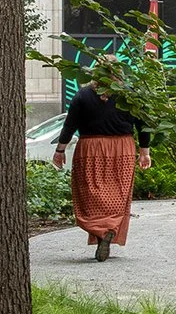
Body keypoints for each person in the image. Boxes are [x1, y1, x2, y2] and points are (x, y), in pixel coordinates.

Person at [51, 63, 153, 261]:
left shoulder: (82, 95)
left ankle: (100, 233)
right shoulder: (129, 95)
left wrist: (60, 150)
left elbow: (70, 125)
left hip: (90, 148)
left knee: (90, 195)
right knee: (118, 195)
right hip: (122, 148)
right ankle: (108, 231)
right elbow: (143, 125)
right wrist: (144, 152)